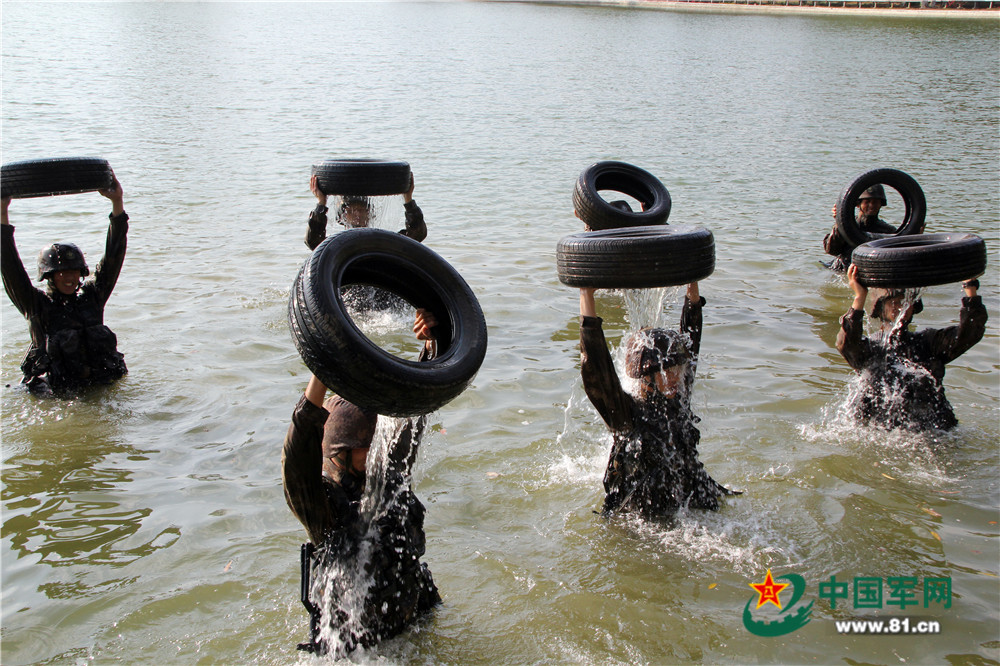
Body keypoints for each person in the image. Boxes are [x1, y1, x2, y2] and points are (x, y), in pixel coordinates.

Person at [282, 309, 441, 655]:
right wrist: (322, 366)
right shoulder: (322, 511)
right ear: (338, 454)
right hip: (357, 651)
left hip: (414, 625)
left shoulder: (387, 480)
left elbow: (416, 414)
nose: (375, 454)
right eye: (363, 448)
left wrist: (433, 347)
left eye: (375, 444)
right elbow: (297, 453)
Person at [578, 283, 737, 518]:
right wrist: (586, 295)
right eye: (666, 372)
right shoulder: (625, 415)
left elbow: (692, 338)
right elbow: (597, 367)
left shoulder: (677, 398)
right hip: (643, 517)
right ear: (647, 378)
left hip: (687, 500)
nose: (674, 377)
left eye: (677, 370)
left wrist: (692, 283)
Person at [1, 178, 129, 396]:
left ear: (81, 273)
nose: (69, 277)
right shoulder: (36, 305)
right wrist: (2, 210)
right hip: (57, 395)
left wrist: (117, 202)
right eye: (61, 272)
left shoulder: (92, 298)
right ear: (50, 276)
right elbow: (10, 266)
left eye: (74, 271)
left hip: (98, 383)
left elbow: (113, 257)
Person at [836, 264, 988, 431]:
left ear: (913, 307)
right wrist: (859, 297)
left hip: (933, 431)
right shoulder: (869, 350)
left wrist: (970, 289)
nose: (899, 307)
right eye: (893, 302)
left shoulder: (929, 343)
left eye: (905, 302)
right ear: (880, 308)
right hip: (882, 431)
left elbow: (969, 334)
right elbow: (846, 343)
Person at [305, 172, 426, 250]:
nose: (358, 214)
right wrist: (321, 203)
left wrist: (408, 199)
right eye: (352, 210)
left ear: (370, 213)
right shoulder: (337, 245)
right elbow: (313, 241)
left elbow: (417, 234)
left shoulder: (381, 243)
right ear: (342, 216)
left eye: (362, 209)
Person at [823, 184, 899, 271]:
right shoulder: (848, 225)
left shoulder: (888, 231)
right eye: (867, 202)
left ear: (881, 204)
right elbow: (831, 250)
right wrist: (839, 221)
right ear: (858, 204)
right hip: (844, 268)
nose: (871, 205)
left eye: (875, 202)